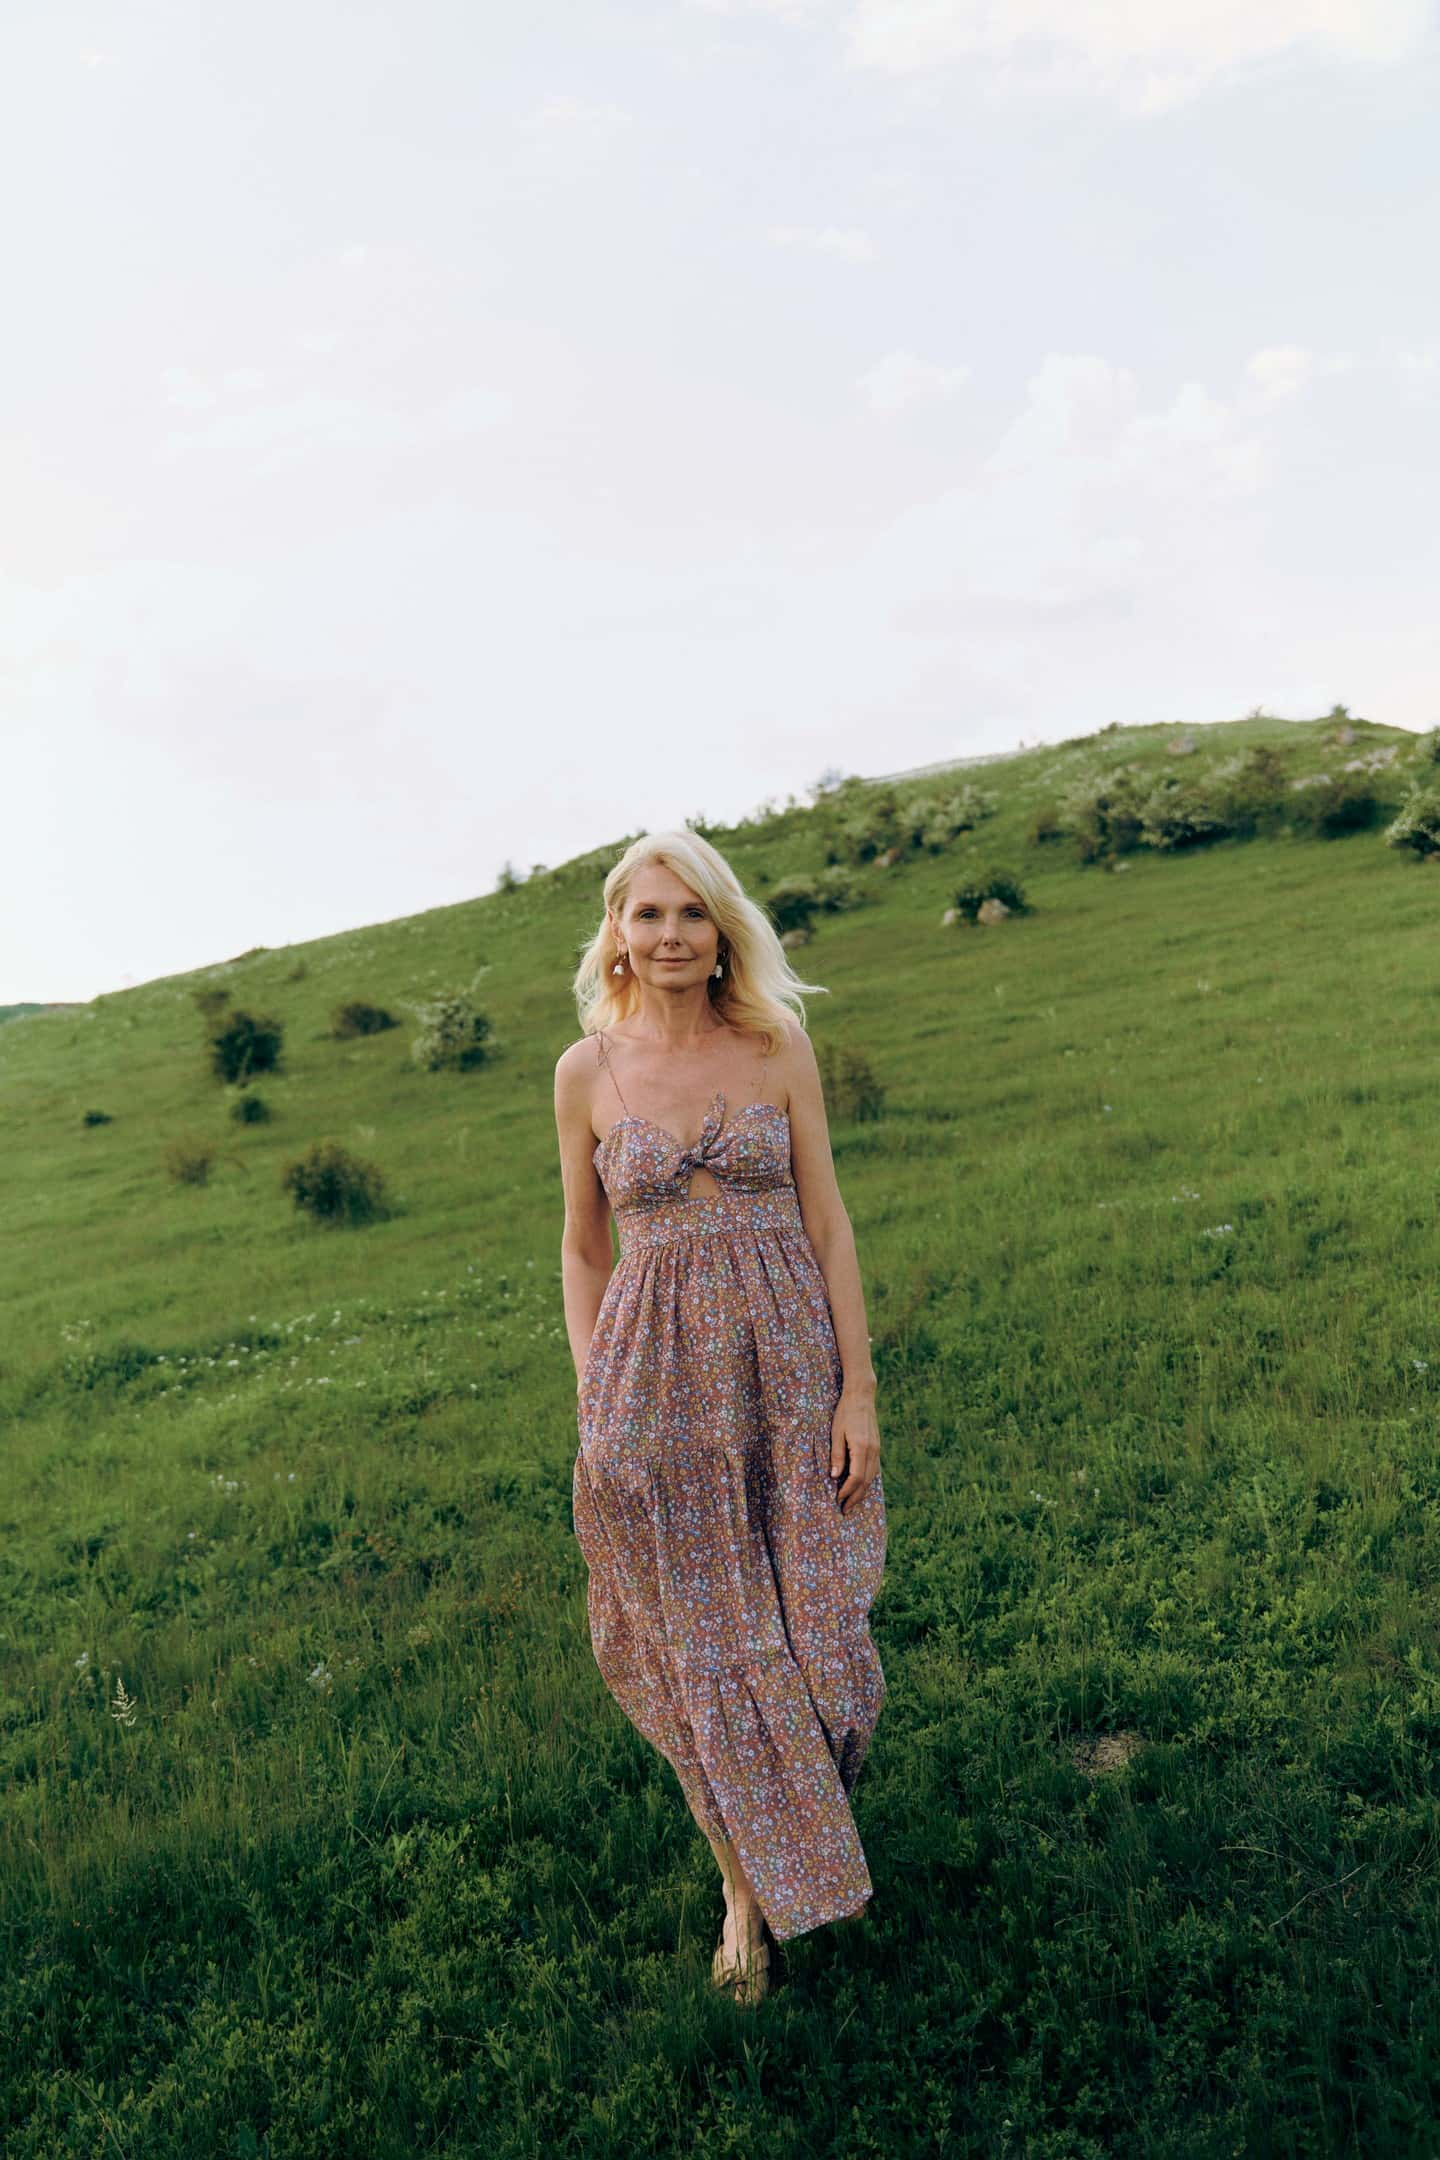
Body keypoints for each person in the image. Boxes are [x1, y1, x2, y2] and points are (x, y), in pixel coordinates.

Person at [553, 829, 887, 2008]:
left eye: (693, 913)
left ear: (722, 930)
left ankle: (805, 1818)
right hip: (653, 1391)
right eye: (649, 915)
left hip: (789, 1372)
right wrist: (599, 1399)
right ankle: (746, 1887)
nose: (672, 935)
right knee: (707, 1648)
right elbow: (584, 1248)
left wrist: (858, 1390)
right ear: (618, 934)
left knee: (822, 1643)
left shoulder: (774, 1044)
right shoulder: (584, 1073)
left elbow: (831, 1221)